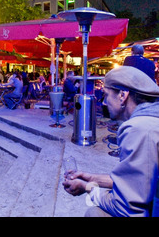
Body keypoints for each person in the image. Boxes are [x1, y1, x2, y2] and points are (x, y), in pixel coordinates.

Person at [62, 66, 159, 217]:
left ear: (123, 95)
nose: (104, 103)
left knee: (94, 214)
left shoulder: (140, 128)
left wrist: (87, 188)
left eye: (106, 96)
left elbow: (126, 206)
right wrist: (91, 178)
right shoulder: (151, 120)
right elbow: (134, 181)